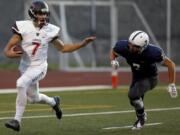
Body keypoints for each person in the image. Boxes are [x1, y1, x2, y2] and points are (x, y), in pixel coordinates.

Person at [3, 0, 96, 132]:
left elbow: (63, 48)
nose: (43, 17)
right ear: (33, 13)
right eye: (40, 14)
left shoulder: (50, 30)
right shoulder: (23, 27)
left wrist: (82, 44)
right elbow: (7, 50)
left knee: (20, 83)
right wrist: (10, 54)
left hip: (39, 67)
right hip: (25, 67)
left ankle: (17, 121)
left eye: (45, 14)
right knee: (33, 98)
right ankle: (54, 102)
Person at [110, 30, 178, 130]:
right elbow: (113, 51)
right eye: (130, 44)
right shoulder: (124, 46)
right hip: (136, 76)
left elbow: (170, 64)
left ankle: (141, 118)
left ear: (144, 47)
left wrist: (172, 84)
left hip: (150, 78)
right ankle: (141, 114)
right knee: (133, 100)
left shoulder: (153, 53)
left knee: (133, 94)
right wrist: (113, 60)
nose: (131, 48)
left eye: (135, 46)